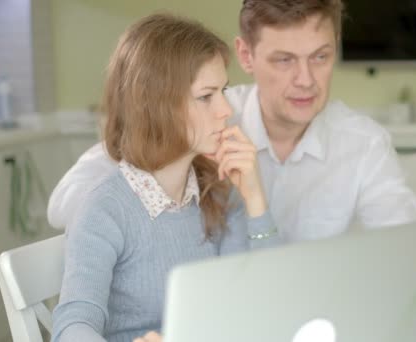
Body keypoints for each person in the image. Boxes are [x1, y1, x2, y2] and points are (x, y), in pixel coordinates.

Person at [48, 0, 416, 243]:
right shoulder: (203, 120)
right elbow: (64, 203)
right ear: (245, 55)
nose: (306, 79)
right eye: (284, 60)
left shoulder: (364, 143)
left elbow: (408, 250)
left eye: (320, 57)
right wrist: (169, 185)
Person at [51, 13, 280, 342]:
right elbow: (72, 325)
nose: (226, 110)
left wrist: (256, 199)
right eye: (206, 96)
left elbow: (262, 300)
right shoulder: (104, 209)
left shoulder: (216, 192)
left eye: (223, 91)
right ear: (158, 105)